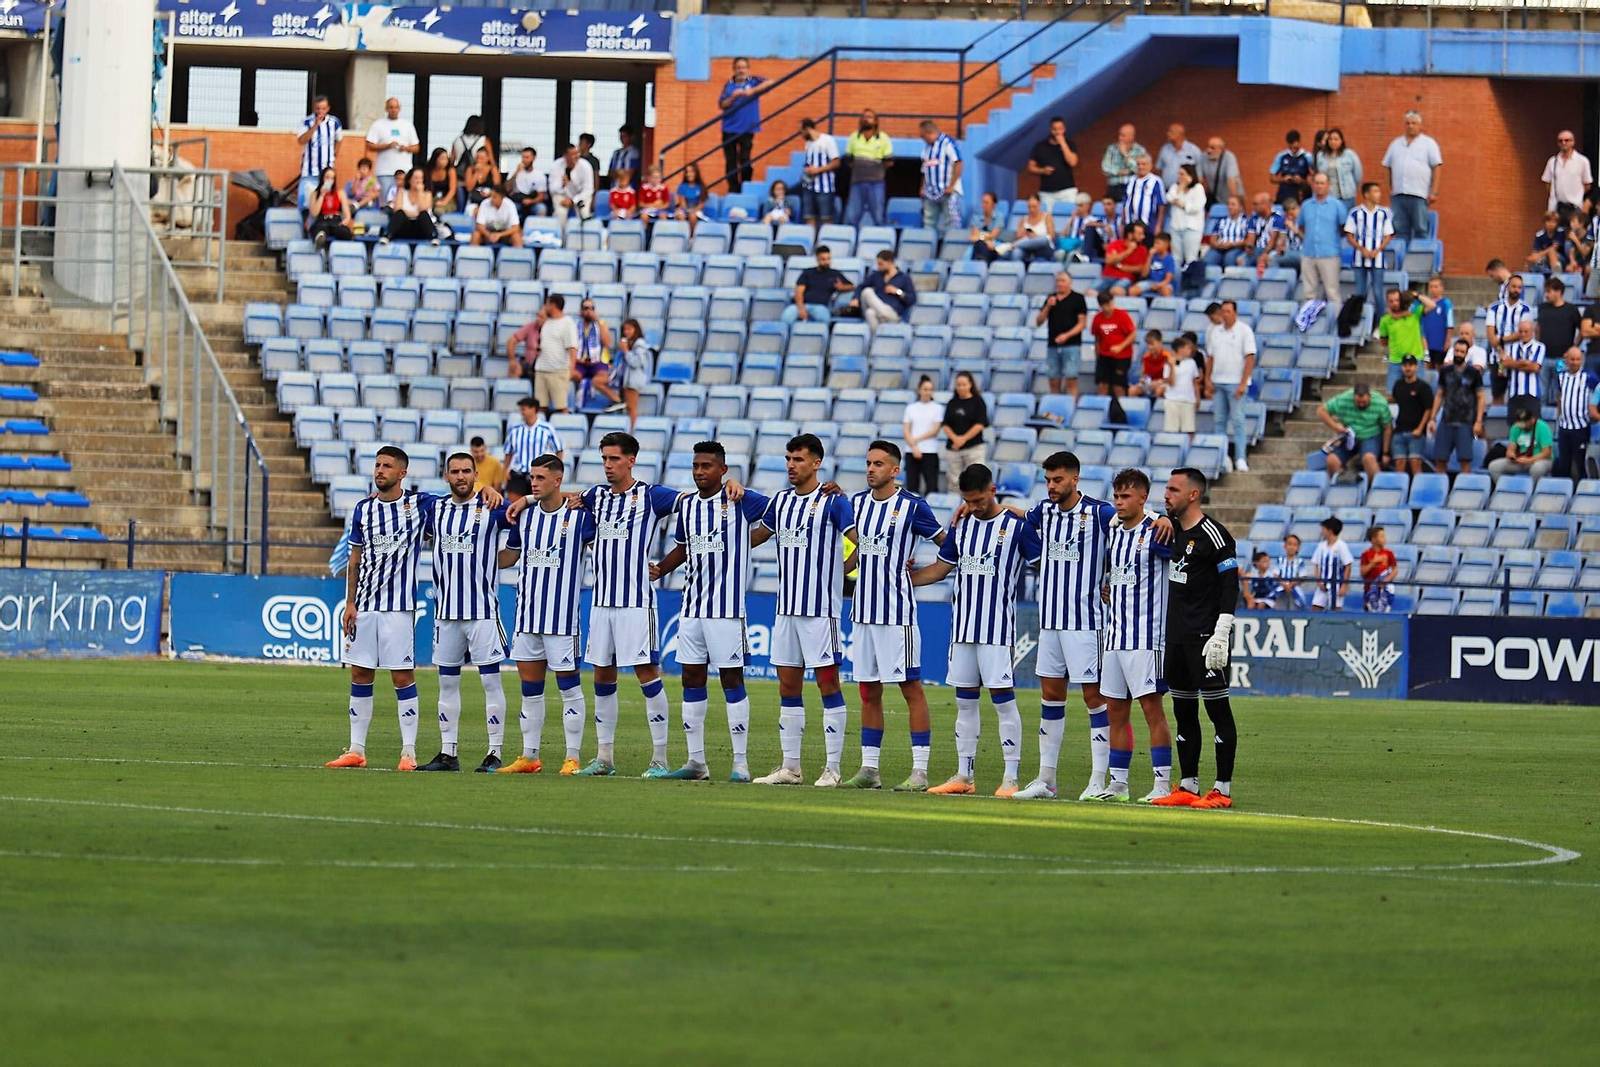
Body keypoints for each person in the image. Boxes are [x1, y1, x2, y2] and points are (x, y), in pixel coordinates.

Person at [326, 448, 503, 771]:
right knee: (359, 673)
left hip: (399, 607)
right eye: (377, 465)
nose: (380, 470)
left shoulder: (422, 506)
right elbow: (355, 558)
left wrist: (487, 489)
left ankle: (408, 753)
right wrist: (350, 602)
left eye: (387, 466)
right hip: (364, 606)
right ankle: (356, 749)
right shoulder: (364, 509)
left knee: (402, 676)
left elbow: (461, 496)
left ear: (402, 473)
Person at [534, 432, 685, 778]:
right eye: (604, 458)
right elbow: (558, 498)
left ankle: (660, 758)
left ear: (631, 461)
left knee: (647, 674)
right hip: (602, 604)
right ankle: (604, 757)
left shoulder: (651, 495)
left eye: (614, 458)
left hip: (636, 603)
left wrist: (663, 566)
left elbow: (696, 503)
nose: (607, 465)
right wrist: (523, 500)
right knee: (602, 676)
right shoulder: (595, 496)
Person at [911, 463, 1043, 796]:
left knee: (1003, 702)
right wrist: (904, 579)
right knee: (965, 703)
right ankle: (964, 776)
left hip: (996, 631)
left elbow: (1045, 566)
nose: (972, 507)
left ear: (992, 491)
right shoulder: (963, 525)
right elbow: (941, 568)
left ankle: (1010, 778)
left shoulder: (1017, 527)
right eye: (967, 501)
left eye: (978, 500)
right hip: (963, 630)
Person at [649, 442, 771, 781]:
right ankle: (696, 762)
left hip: (726, 610)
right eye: (696, 466)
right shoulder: (688, 506)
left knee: (731, 679)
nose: (700, 471)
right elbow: (683, 548)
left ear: (722, 470)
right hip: (692, 609)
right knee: (691, 679)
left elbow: (781, 510)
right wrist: (661, 569)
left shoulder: (740, 500)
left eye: (707, 466)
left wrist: (752, 533)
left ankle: (740, 764)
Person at [751, 434, 857, 787]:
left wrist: (845, 568)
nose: (791, 465)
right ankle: (791, 768)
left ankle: (833, 769)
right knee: (787, 686)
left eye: (798, 459)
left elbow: (862, 539)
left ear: (816, 463)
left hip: (820, 610)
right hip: (786, 610)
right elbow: (757, 536)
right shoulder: (780, 501)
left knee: (828, 684)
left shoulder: (833, 501)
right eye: (788, 459)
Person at [840, 441, 946, 790]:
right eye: (868, 463)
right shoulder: (856, 504)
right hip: (862, 613)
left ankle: (920, 771)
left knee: (910, 688)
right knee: (868, 691)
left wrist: (918, 576)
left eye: (879, 464)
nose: (871, 469)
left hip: (897, 614)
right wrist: (840, 571)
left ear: (895, 470)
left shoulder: (913, 506)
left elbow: (949, 547)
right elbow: (858, 551)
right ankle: (869, 770)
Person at [1011, 453, 1116, 800]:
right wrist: (980, 507)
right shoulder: (1045, 511)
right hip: (1051, 623)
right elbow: (1019, 514)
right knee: (1051, 698)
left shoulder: (1099, 513)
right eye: (1047, 480)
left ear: (1075, 478)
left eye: (1057, 480)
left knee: (1095, 699)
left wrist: (1158, 519)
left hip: (1086, 623)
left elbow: (1134, 524)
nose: (1051, 486)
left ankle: (1098, 779)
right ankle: (1047, 780)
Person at [1075, 467, 1173, 804]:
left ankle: (1162, 784)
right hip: (1114, 637)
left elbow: (1181, 563)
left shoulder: (1157, 532)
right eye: (1116, 496)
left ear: (1143, 498)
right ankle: (1118, 785)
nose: (1119, 502)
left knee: (1152, 710)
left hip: (1146, 637)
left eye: (1126, 496)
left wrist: (1165, 518)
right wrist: (1111, 590)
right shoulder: (1114, 533)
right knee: (1115, 711)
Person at [498, 453, 596, 777]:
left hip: (562, 620)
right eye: (532, 478)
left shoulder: (580, 517)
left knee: (569, 689)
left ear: (558, 480)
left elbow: (601, 548)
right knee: (530, 689)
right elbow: (510, 556)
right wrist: (475, 559)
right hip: (527, 618)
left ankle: (572, 757)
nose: (534, 483)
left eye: (541, 478)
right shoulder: (525, 515)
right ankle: (530, 756)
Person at [1147, 468, 1240, 809]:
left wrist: (1221, 632)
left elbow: (1231, 585)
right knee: (1183, 711)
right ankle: (1188, 785)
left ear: (1193, 494)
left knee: (1217, 710)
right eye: (1166, 489)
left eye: (1173, 489)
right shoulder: (1170, 530)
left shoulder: (1214, 535)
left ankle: (1222, 789)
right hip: (1176, 637)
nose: (1166, 495)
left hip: (1206, 637)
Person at [416, 451, 513, 774]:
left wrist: (509, 553)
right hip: (446, 614)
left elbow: (524, 516)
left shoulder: (492, 507)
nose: (460, 476)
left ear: (476, 475)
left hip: (482, 611)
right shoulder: (434, 509)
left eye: (466, 471)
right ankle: (448, 753)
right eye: (455, 471)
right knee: (446, 684)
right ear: (446, 476)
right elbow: (398, 501)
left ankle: (494, 752)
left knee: (491, 683)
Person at [1205, 299, 1257, 472]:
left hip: (1236, 382)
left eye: (1228, 311)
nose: (1225, 315)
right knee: (1219, 420)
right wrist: (1207, 379)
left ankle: (1240, 458)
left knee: (1238, 420)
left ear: (1235, 313)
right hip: (1218, 381)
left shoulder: (1244, 330)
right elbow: (1210, 357)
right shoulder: (1215, 331)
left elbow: (1250, 357)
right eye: (1223, 311)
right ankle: (1222, 457)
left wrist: (1243, 383)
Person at [1381, 109, 1442, 244]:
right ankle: (1402, 256)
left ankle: (1420, 256)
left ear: (1420, 125)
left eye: (1414, 123)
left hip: (1419, 195)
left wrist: (1434, 191)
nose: (1410, 126)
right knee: (1400, 229)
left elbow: (1437, 167)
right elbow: (1386, 165)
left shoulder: (1428, 143)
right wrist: (1389, 190)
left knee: (1420, 229)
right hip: (1399, 195)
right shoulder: (1396, 144)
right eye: (1407, 123)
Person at [1429, 342, 1487, 474]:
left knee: (1465, 461)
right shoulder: (1445, 372)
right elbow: (1439, 395)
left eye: (1462, 352)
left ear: (1466, 354)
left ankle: (1465, 485)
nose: (1459, 354)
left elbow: (1481, 397)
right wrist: (1432, 418)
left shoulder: (1473, 373)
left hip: (1465, 422)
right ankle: (1440, 485)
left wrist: (1478, 421)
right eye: (1457, 351)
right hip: (1446, 420)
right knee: (1440, 460)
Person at [1319, 382, 1391, 485]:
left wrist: (1385, 452)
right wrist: (1335, 426)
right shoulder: (1343, 399)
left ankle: (1377, 486)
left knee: (1369, 458)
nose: (1361, 405)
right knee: (1331, 461)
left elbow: (1388, 428)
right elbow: (1322, 411)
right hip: (1349, 436)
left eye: (1364, 402)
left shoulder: (1380, 403)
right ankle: (1345, 483)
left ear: (1369, 397)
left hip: (1371, 434)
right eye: (1358, 402)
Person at [502, 396, 563, 501]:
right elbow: (508, 452)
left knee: (538, 503)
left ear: (533, 409)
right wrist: (505, 471)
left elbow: (559, 449)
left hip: (539, 473)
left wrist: (556, 470)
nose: (522, 412)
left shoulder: (547, 429)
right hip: (518, 473)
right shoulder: (515, 429)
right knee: (514, 504)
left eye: (524, 409)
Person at [1553, 346, 1600, 482]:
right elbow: (1559, 395)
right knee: (1564, 464)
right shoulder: (1561, 377)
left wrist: (1594, 410)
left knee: (1581, 464)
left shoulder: (1588, 377)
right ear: (1566, 360)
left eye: (1578, 359)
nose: (1575, 362)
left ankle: (1581, 490)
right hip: (1564, 427)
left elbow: (1598, 390)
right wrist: (1559, 413)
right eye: (1572, 359)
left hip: (1580, 427)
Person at [718, 57, 764, 193]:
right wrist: (733, 97)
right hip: (729, 128)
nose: (741, 70)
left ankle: (745, 186)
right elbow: (722, 104)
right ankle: (733, 189)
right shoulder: (729, 85)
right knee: (730, 161)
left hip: (747, 129)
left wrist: (752, 91)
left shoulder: (754, 81)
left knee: (745, 159)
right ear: (734, 69)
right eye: (738, 67)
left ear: (748, 69)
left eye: (743, 67)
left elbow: (771, 82)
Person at [1037, 272, 1088, 396]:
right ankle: (1055, 405)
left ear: (1070, 283)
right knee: (1053, 381)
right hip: (1053, 345)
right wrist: (1048, 306)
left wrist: (1067, 335)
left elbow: (1082, 323)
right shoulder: (1050, 298)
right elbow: (1039, 321)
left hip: (1071, 345)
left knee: (1071, 380)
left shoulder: (1078, 298)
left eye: (1062, 281)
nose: (1059, 284)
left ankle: (1071, 405)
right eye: (1057, 281)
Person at [1297, 172, 1344, 304]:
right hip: (1309, 254)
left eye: (1322, 183)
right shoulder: (1306, 205)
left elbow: (1343, 227)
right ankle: (1311, 317)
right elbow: (1301, 226)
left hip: (1329, 254)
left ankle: (1335, 317)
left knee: (1332, 293)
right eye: (1316, 183)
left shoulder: (1337, 205)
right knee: (1309, 293)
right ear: (1312, 185)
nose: (1319, 186)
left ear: (1328, 185)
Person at [1377, 287, 1436, 391]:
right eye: (1391, 301)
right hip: (1396, 361)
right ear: (1387, 302)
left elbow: (1432, 305)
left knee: (1419, 391)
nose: (1395, 303)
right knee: (1392, 393)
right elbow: (1383, 341)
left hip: (1416, 359)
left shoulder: (1414, 313)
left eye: (1397, 300)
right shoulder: (1385, 320)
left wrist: (1416, 295)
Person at [843, 108, 893, 227]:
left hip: (876, 183)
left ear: (875, 121)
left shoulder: (883, 138)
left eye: (869, 117)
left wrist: (875, 171)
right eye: (864, 117)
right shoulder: (854, 137)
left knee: (878, 217)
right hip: (857, 182)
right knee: (851, 217)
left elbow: (889, 162)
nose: (866, 119)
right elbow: (848, 160)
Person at [364, 98, 420, 202]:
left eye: (396, 107)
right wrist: (387, 146)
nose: (393, 110)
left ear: (399, 109)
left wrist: (405, 148)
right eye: (391, 107)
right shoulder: (378, 124)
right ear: (386, 108)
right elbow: (369, 145)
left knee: (404, 200)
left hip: (404, 170)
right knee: (387, 201)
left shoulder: (407, 125)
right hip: (385, 171)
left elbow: (416, 147)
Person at [847, 250, 916, 332]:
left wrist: (897, 291)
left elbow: (911, 299)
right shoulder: (876, 276)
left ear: (890, 262)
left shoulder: (904, 278)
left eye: (881, 264)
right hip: (877, 312)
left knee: (870, 312)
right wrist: (855, 298)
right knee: (868, 297)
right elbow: (860, 287)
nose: (878, 267)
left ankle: (884, 315)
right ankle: (878, 337)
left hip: (892, 313)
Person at [941, 370, 987, 492]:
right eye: (958, 385)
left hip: (973, 448)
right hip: (954, 449)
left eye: (964, 385)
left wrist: (963, 439)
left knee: (976, 480)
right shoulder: (952, 403)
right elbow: (945, 425)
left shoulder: (978, 402)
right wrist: (955, 439)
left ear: (970, 384)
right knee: (954, 482)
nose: (961, 388)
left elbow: (980, 424)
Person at [782, 243, 851, 324]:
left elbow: (852, 286)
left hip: (820, 307)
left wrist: (842, 287)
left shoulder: (835, 274)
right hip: (802, 305)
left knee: (824, 320)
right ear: (817, 259)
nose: (826, 262)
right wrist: (801, 309)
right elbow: (799, 292)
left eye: (828, 259)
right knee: (786, 318)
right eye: (823, 259)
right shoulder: (807, 273)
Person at [533, 294, 579, 414]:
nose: (545, 307)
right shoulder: (547, 323)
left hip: (558, 371)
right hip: (541, 369)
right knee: (540, 406)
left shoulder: (567, 323)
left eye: (547, 304)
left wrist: (572, 368)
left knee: (561, 406)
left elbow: (572, 347)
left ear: (553, 305)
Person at [1389, 355, 1435, 476]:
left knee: (1415, 463)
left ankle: (1417, 487)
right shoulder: (1398, 385)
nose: (1408, 368)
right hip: (1399, 430)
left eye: (1410, 365)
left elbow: (1428, 409)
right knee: (1399, 463)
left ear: (1416, 367)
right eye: (1405, 365)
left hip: (1416, 432)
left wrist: (1420, 428)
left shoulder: (1423, 387)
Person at [1538, 277, 1583, 397]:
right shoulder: (1542, 308)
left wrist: (1574, 348)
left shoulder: (1571, 310)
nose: (1546, 295)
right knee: (1541, 392)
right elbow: (1538, 328)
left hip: (1562, 359)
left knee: (1561, 391)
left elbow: (1582, 330)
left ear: (1558, 292)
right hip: (1544, 358)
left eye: (1549, 291)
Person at [918, 119, 963, 236]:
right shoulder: (927, 149)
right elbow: (925, 170)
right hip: (930, 192)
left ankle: (951, 244)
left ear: (929, 133)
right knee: (928, 221)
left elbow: (958, 163)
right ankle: (928, 243)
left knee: (951, 221)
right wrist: (922, 187)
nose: (922, 139)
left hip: (947, 191)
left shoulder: (948, 143)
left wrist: (951, 185)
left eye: (922, 136)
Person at [572, 298, 619, 409]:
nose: (589, 311)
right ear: (581, 310)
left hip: (598, 361)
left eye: (591, 308)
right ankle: (573, 404)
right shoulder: (574, 325)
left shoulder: (602, 324)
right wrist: (579, 360)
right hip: (580, 361)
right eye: (586, 308)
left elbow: (607, 343)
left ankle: (617, 400)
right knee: (570, 375)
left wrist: (597, 322)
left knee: (599, 380)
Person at [296, 95, 342, 209]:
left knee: (325, 202)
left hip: (327, 173)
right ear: (314, 108)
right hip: (309, 171)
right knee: (304, 202)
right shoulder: (307, 122)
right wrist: (315, 125)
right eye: (318, 108)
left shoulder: (334, 123)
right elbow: (301, 141)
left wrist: (334, 156)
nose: (320, 111)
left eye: (323, 108)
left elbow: (339, 140)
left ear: (328, 108)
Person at [1488, 407, 1555, 484]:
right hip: (1521, 460)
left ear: (1531, 420)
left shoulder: (1542, 427)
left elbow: (1547, 453)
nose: (1522, 426)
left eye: (1524, 423)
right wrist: (1512, 457)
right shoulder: (1516, 427)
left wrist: (1529, 460)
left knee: (1537, 469)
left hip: (1539, 459)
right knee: (1494, 467)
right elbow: (1510, 449)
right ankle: (1507, 487)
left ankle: (1532, 489)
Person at [902, 375, 944, 496]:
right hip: (911, 451)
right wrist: (914, 446)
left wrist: (916, 439)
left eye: (930, 390)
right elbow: (906, 430)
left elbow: (935, 430)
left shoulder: (938, 408)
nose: (927, 392)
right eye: (925, 389)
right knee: (912, 487)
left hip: (930, 450)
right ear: (919, 390)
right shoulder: (911, 408)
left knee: (932, 486)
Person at [1091, 289, 1137, 397]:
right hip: (1104, 355)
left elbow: (1133, 334)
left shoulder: (1122, 315)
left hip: (1122, 356)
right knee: (1102, 384)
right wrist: (1098, 358)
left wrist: (1120, 346)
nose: (1109, 307)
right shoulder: (1097, 318)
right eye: (1106, 305)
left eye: (1111, 304)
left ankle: (1120, 404)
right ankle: (1102, 404)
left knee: (1118, 385)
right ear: (1101, 306)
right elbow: (1097, 339)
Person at [1028, 115, 1079, 211]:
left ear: (1064, 129)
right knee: (1047, 217)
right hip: (1047, 192)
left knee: (1069, 216)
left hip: (1067, 190)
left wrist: (1063, 144)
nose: (1057, 132)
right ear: (1050, 130)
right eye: (1054, 129)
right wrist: (1043, 171)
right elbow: (1031, 167)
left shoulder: (1070, 144)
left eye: (1060, 129)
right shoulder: (1040, 146)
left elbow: (1072, 162)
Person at [1543, 129, 1592, 225]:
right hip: (1556, 208)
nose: (1563, 143)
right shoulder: (1552, 162)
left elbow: (1587, 185)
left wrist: (1576, 195)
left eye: (1566, 140)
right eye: (1560, 141)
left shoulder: (1582, 161)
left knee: (1572, 233)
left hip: (1574, 207)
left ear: (1573, 142)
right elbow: (1547, 183)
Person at [798, 117, 841, 227]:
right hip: (809, 186)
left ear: (807, 129)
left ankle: (825, 237)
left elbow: (836, 162)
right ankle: (811, 237)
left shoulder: (827, 140)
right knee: (809, 216)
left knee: (826, 217)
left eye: (801, 131)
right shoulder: (808, 144)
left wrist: (817, 170)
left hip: (825, 187)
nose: (801, 135)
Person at [612, 318, 653, 430]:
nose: (626, 332)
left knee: (632, 408)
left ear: (635, 329)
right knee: (629, 408)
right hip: (628, 379)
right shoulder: (632, 343)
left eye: (629, 329)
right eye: (625, 330)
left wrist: (626, 351)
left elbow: (636, 362)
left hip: (634, 380)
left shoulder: (639, 344)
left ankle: (632, 430)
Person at [381, 168, 437, 244]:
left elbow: (423, 209)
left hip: (421, 227)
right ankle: (387, 236)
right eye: (416, 178)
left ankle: (433, 238)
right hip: (404, 226)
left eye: (421, 178)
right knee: (399, 214)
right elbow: (397, 209)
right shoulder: (402, 192)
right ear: (409, 179)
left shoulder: (427, 194)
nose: (418, 181)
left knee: (423, 214)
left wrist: (420, 192)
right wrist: (415, 213)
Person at [1309, 516, 1353, 611]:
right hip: (1322, 585)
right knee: (1316, 607)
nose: (1322, 532)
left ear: (1330, 531)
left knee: (1336, 609)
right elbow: (1316, 564)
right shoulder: (1321, 546)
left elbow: (1347, 565)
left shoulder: (1341, 546)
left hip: (1336, 584)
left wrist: (1344, 586)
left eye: (1323, 529)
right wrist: (1319, 581)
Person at [1502, 317, 1547, 409]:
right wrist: (1524, 363)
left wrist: (1513, 364)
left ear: (1532, 331)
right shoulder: (1512, 347)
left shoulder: (1540, 347)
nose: (1523, 334)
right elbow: (1504, 364)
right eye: (1520, 331)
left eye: (1526, 331)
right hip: (1514, 394)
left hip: (1532, 394)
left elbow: (1535, 367)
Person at [1118, 153, 1166, 241]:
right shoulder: (1131, 180)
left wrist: (1158, 225)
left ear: (1150, 165)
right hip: (1130, 225)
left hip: (1148, 226)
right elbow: (1125, 203)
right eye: (1138, 164)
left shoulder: (1156, 181)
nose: (1140, 167)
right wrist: (1122, 223)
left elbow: (1161, 205)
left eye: (1144, 164)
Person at [1166, 163, 1206, 265]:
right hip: (1176, 227)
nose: (1179, 176)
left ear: (1190, 175)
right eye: (1179, 174)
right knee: (1176, 258)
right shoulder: (1175, 187)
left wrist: (1183, 205)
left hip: (1191, 228)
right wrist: (1181, 187)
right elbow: (1169, 198)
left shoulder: (1198, 188)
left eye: (1182, 174)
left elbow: (1196, 207)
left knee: (1190, 258)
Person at [1163, 336, 1203, 438]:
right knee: (1172, 430)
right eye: (1188, 348)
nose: (1190, 351)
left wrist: (1197, 398)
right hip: (1173, 400)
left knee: (1189, 430)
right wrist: (1172, 366)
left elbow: (1195, 382)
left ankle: (1189, 447)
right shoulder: (1168, 363)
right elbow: (1171, 382)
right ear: (1180, 349)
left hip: (1188, 400)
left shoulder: (1192, 363)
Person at [997, 194, 1056, 262]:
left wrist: (1036, 236)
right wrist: (1024, 234)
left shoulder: (1047, 217)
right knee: (1016, 252)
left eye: (1034, 207)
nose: (1031, 209)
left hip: (1043, 247)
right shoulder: (1024, 219)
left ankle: (1011, 245)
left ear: (1039, 204)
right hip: (1027, 247)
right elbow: (1018, 237)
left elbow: (1051, 236)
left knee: (1044, 239)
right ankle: (1016, 266)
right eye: (1029, 207)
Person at [305, 166, 352, 249]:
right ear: (322, 178)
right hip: (322, 220)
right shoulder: (315, 194)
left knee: (345, 232)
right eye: (327, 177)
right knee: (320, 231)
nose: (329, 180)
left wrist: (345, 221)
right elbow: (314, 213)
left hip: (335, 220)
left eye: (332, 178)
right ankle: (319, 245)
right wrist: (322, 195)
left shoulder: (340, 193)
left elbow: (347, 214)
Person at [1315, 127, 1362, 211]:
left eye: (1336, 139)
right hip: (1330, 195)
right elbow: (1320, 174)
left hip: (1347, 195)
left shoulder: (1349, 154)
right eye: (1330, 139)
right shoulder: (1321, 155)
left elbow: (1358, 174)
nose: (1333, 141)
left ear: (1341, 140)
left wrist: (1353, 188)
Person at [1100, 123, 1147, 203]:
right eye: (1120, 135)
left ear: (1131, 137)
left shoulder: (1140, 150)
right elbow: (1105, 167)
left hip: (1131, 186)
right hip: (1113, 186)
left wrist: (1125, 154)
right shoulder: (1111, 148)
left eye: (1123, 136)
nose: (1120, 138)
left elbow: (1139, 169)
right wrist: (1120, 172)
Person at [1099, 219, 1150, 292]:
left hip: (1126, 279)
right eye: (1140, 234)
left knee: (1117, 290)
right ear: (1130, 235)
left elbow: (1139, 269)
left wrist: (1119, 266)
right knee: (1090, 291)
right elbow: (1109, 260)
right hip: (1108, 277)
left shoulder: (1142, 249)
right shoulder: (1115, 244)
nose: (1143, 237)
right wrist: (1128, 251)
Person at [1124, 231, 1176, 298]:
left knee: (1166, 291)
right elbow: (1144, 274)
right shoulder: (1152, 256)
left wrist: (1158, 285)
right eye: (1155, 243)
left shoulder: (1170, 259)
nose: (1155, 245)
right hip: (1150, 282)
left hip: (1163, 283)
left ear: (1166, 245)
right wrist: (1149, 256)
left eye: (1158, 243)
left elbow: (1168, 279)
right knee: (1132, 290)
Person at [553, 143, 595, 225]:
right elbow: (552, 188)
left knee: (584, 214)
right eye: (573, 154)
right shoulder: (556, 166)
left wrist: (573, 201)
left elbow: (588, 190)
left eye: (577, 153)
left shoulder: (586, 166)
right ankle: (562, 233)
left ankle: (580, 233)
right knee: (560, 214)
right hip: (563, 195)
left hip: (581, 196)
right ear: (565, 155)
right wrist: (562, 185)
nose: (576, 156)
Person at [1268, 129, 1313, 205]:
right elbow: (1272, 178)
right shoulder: (1281, 156)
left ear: (1299, 142)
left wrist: (1302, 181)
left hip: (1301, 195)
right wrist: (1283, 179)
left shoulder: (1308, 157)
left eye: (1295, 148)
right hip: (1284, 194)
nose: (1293, 150)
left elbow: (1314, 177)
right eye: (1290, 148)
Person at [1205, 195, 1252, 267]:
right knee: (1208, 260)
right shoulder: (1221, 221)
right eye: (1228, 204)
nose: (1230, 207)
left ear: (1240, 207)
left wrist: (1232, 244)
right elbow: (1213, 239)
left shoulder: (1247, 222)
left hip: (1237, 247)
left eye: (1233, 204)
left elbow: (1249, 239)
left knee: (1229, 258)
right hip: (1220, 247)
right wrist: (1217, 245)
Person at [1360, 525, 1397, 614]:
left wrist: (1386, 580)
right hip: (1369, 589)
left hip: (1384, 589)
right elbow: (1363, 572)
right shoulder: (1366, 554)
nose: (1385, 539)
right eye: (1382, 536)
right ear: (1374, 539)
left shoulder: (1389, 553)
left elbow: (1395, 569)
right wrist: (1374, 562)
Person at [1198, 136, 1244, 209]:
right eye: (1208, 147)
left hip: (1233, 196)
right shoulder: (1202, 157)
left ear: (1221, 149)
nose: (1209, 150)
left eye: (1213, 148)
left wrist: (1233, 201)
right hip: (1216, 198)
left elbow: (1231, 180)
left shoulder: (1229, 157)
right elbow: (1199, 180)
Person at [1419, 275, 1454, 367]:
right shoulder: (1425, 304)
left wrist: (1447, 340)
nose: (1433, 289)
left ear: (1442, 288)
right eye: (1431, 287)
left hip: (1440, 341)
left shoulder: (1446, 303)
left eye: (1436, 287)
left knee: (1440, 365)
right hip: (1428, 341)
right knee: (1428, 365)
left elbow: (1450, 323)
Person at [449, 116, 492, 186]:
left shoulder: (457, 140)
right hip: (476, 176)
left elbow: (452, 161)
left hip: (459, 176)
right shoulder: (483, 140)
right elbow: (491, 160)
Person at [1154, 123, 1201, 188]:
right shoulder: (1165, 149)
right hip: (1166, 189)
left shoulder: (1194, 150)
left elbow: (1199, 174)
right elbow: (1159, 170)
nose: (1168, 134)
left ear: (1180, 135)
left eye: (1171, 132)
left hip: (1186, 191)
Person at [505, 307, 545, 382]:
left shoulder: (553, 331)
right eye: (537, 316)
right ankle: (513, 388)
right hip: (529, 365)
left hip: (545, 366)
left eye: (541, 317)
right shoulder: (530, 326)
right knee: (515, 369)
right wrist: (512, 360)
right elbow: (511, 341)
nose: (538, 319)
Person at [462, 146, 502, 216]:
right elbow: (469, 188)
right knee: (477, 212)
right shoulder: (470, 169)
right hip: (475, 200)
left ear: (487, 158)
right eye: (477, 158)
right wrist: (476, 173)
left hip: (489, 199)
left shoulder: (493, 170)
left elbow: (497, 187)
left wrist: (490, 193)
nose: (479, 160)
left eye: (482, 158)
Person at [1130, 329, 1171, 397]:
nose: (1150, 347)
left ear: (1160, 343)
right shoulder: (1146, 357)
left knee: (1159, 390)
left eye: (1152, 344)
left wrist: (1159, 382)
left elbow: (1171, 377)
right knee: (1132, 390)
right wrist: (1144, 379)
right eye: (1148, 344)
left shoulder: (1168, 356)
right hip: (1149, 383)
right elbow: (1145, 374)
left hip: (1163, 383)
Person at [967, 191, 1006, 263]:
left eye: (986, 203)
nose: (983, 205)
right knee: (978, 246)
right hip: (979, 244)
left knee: (982, 247)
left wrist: (981, 238)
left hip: (993, 245)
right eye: (982, 202)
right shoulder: (976, 216)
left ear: (994, 204)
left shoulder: (999, 216)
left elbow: (993, 235)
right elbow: (975, 235)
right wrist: (985, 241)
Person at [509, 147, 547, 219]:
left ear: (533, 158)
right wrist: (516, 172)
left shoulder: (540, 175)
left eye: (527, 157)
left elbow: (541, 196)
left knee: (541, 209)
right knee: (511, 208)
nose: (524, 160)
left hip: (533, 201)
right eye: (523, 157)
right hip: (518, 201)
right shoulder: (514, 172)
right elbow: (507, 189)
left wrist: (531, 201)